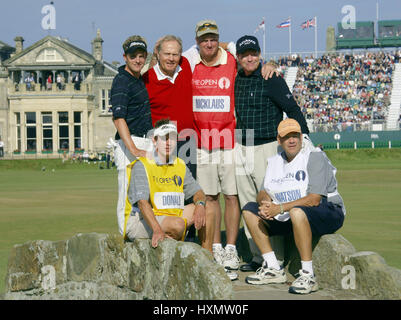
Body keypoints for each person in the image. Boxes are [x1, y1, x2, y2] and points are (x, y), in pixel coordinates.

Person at [182, 20, 278, 273]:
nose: (209, 43)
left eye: (213, 38)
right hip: (202, 143)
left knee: (232, 196)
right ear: (197, 42)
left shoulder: (232, 60)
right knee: (210, 197)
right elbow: (162, 56)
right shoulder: (190, 63)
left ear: (218, 38)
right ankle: (216, 247)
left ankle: (232, 249)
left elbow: (251, 57)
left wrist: (271, 63)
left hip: (229, 140)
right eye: (204, 40)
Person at [234, 35, 313, 272]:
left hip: (268, 145)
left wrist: (305, 139)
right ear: (238, 57)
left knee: (268, 200)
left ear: (260, 55)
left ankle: (276, 258)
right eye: (245, 54)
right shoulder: (236, 77)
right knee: (247, 202)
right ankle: (259, 256)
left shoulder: (272, 78)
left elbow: (292, 109)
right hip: (242, 144)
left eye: (254, 54)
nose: (250, 58)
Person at [242, 118, 345, 294]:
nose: (292, 140)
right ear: (279, 140)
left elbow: (314, 199)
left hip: (328, 210)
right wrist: (266, 202)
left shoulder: (314, 156)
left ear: (300, 136)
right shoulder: (274, 161)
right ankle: (273, 268)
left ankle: (308, 275)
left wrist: (279, 208)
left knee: (297, 212)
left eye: (295, 136)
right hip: (291, 214)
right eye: (287, 136)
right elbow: (262, 192)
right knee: (249, 210)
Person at [124, 120, 214, 253]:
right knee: (177, 225)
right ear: (154, 141)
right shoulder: (142, 165)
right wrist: (157, 230)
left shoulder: (179, 164)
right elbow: (143, 204)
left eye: (172, 138)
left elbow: (198, 192)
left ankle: (208, 258)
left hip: (171, 216)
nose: (168, 143)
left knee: (208, 208)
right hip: (141, 221)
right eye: (164, 138)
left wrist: (200, 205)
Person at [111, 35, 154, 236]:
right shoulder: (121, 81)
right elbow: (119, 118)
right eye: (133, 56)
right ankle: (124, 241)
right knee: (127, 196)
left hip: (142, 140)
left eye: (141, 56)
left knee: (142, 194)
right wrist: (134, 148)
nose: (138, 60)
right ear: (125, 57)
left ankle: (137, 235)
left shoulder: (138, 79)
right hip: (129, 143)